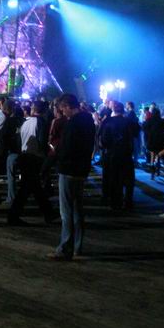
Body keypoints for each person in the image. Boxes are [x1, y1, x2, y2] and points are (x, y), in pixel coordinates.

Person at [49, 93, 95, 261]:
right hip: (82, 170)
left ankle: (64, 247)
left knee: (66, 211)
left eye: (63, 109)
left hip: (68, 169)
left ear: (68, 106)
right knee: (77, 209)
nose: (63, 112)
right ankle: (77, 246)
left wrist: (56, 153)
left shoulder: (71, 124)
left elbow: (66, 148)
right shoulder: (88, 120)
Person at [99, 101, 136, 211]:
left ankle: (115, 202)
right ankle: (128, 202)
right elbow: (135, 135)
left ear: (113, 109)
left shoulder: (107, 121)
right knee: (128, 180)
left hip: (112, 154)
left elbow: (103, 140)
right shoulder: (128, 121)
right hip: (126, 154)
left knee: (114, 179)